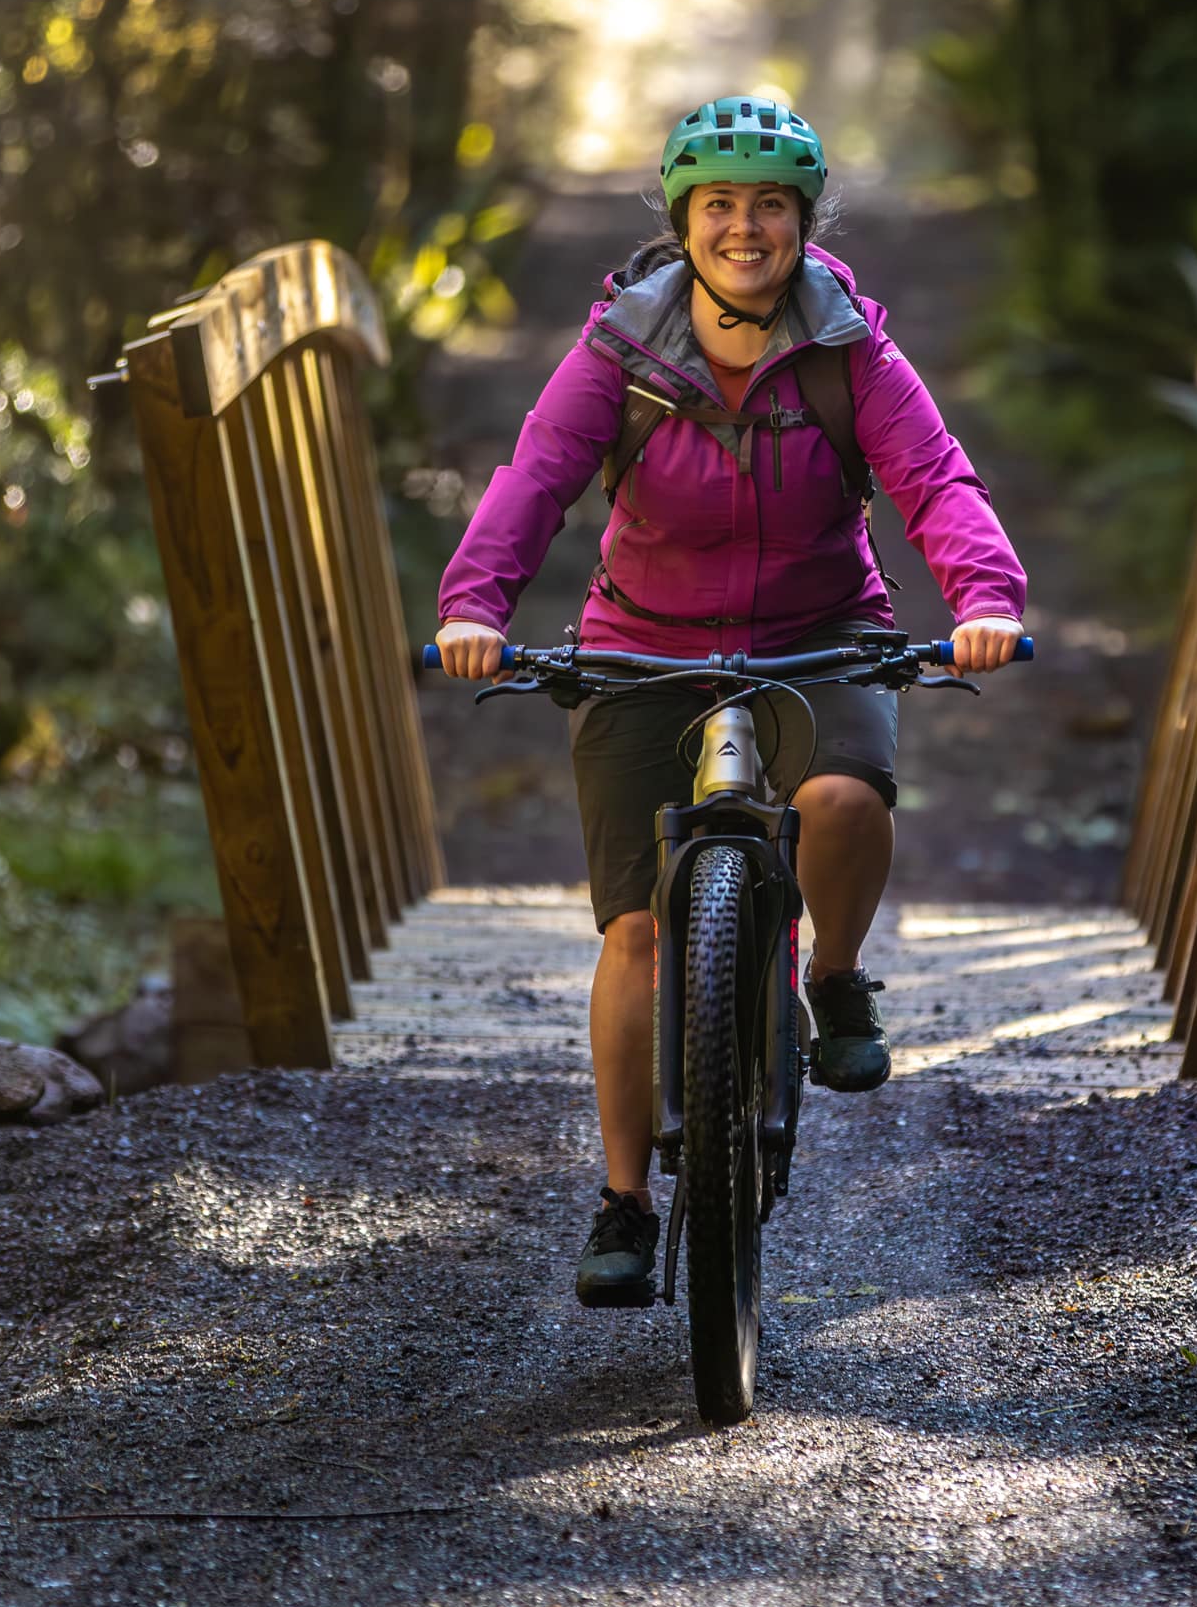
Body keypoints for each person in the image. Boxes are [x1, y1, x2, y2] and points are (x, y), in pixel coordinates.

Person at [432, 95, 1028, 1306]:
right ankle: (622, 1201)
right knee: (636, 934)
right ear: (682, 221)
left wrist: (985, 597)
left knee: (844, 803)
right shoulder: (621, 348)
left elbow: (932, 478)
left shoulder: (849, 345)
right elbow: (535, 477)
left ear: (804, 223)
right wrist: (473, 607)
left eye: (768, 207)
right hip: (641, 645)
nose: (744, 229)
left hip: (820, 636)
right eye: (719, 207)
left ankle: (834, 975)